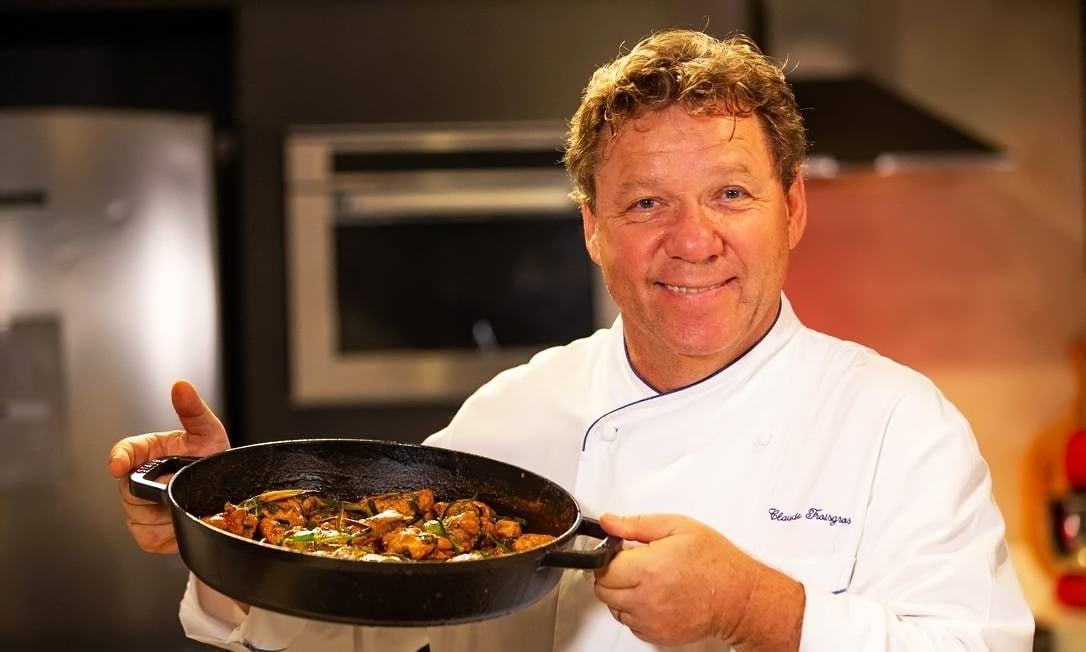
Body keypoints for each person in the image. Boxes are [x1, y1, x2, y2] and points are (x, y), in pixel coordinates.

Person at [108, 29, 1034, 651]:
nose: (692, 238)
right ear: (593, 229)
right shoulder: (515, 416)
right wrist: (225, 531)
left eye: (731, 194)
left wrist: (760, 610)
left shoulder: (898, 426)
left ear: (792, 209)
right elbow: (361, 625)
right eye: (645, 203)